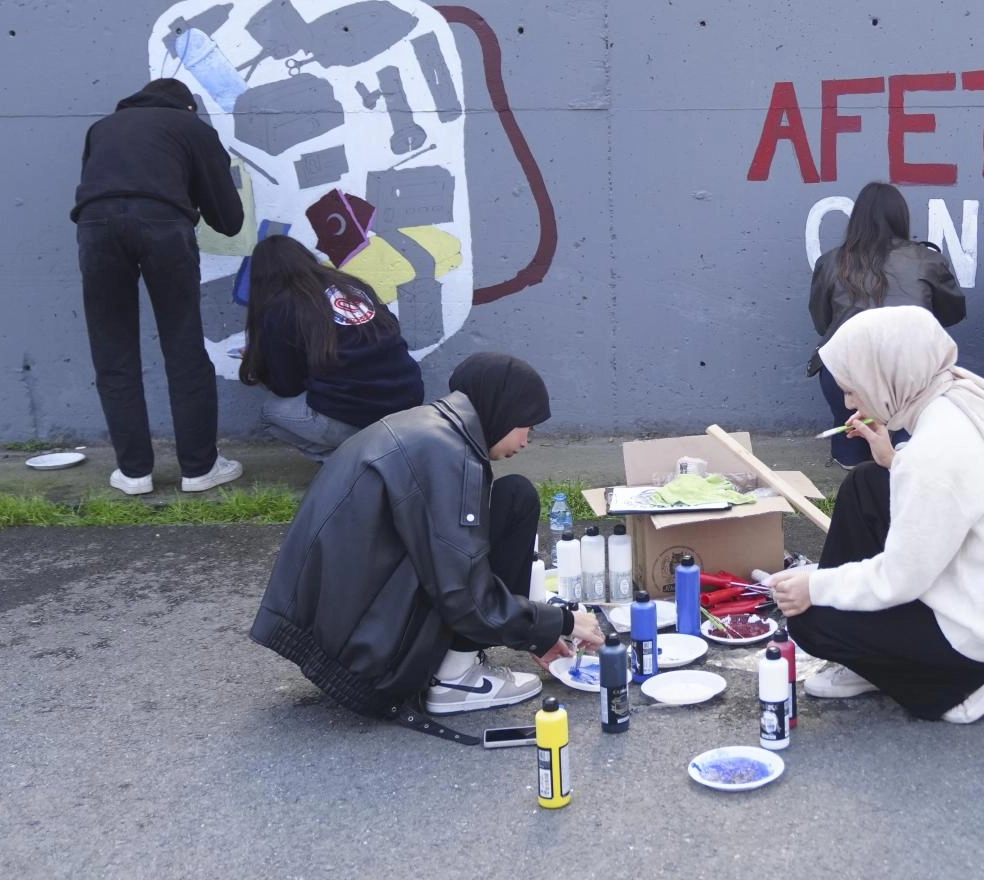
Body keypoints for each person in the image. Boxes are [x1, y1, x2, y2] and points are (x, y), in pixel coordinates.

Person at [251, 353, 605, 732]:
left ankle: (455, 663)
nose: (526, 441)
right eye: (527, 425)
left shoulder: (430, 431)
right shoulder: (448, 457)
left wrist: (534, 635)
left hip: (346, 625)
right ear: (502, 409)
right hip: (363, 655)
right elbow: (462, 592)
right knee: (507, 512)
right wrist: (561, 621)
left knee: (514, 498)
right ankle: (455, 678)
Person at [769, 306, 984, 724]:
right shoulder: (960, 395)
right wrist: (892, 459)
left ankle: (959, 685)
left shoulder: (934, 453)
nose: (849, 402)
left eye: (852, 388)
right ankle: (870, 663)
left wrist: (814, 586)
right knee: (867, 484)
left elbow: (899, 578)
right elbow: (954, 486)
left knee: (811, 620)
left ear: (883, 376)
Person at [71, 78, 246, 496]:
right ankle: (200, 468)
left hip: (95, 226)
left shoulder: (101, 128)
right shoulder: (191, 128)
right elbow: (229, 220)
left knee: (112, 349)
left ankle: (134, 473)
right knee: (183, 344)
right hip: (163, 225)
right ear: (188, 108)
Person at [808, 181, 967, 467]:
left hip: (846, 378)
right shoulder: (927, 260)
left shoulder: (830, 262)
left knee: (853, 460)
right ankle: (906, 445)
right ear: (901, 217)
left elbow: (822, 324)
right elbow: (952, 313)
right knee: (912, 450)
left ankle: (856, 459)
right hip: (912, 376)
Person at [237, 235, 425, 457]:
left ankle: (350, 467)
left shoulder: (280, 307)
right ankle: (375, 459)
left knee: (269, 413)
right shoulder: (352, 286)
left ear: (261, 277)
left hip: (358, 413)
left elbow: (287, 387)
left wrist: (261, 361)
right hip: (409, 401)